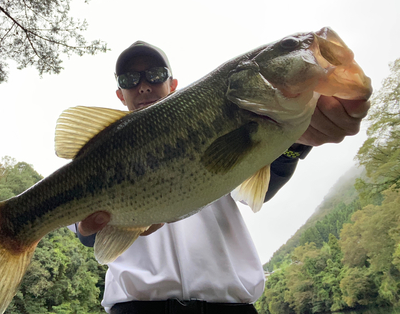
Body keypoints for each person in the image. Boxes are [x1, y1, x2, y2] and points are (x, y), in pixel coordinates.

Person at [76, 41, 370, 314]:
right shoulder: (99, 155)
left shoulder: (213, 126)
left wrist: (295, 141)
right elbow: (89, 237)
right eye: (129, 79)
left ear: (173, 84)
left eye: (154, 74)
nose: (143, 86)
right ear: (119, 94)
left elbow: (262, 187)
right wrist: (86, 227)